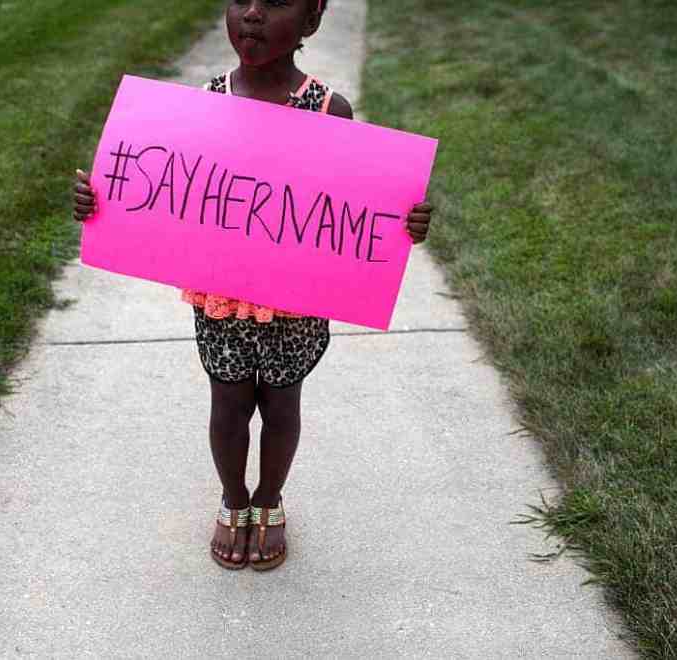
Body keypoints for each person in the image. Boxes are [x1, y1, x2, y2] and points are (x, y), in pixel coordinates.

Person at [72, 0, 433, 571]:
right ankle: (233, 499)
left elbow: (354, 203)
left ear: (311, 20)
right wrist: (102, 203)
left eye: (276, 1)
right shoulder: (204, 104)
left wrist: (402, 223)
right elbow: (165, 187)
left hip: (294, 303)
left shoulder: (329, 109)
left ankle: (269, 499)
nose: (254, 14)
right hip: (222, 298)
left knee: (282, 405)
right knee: (228, 403)